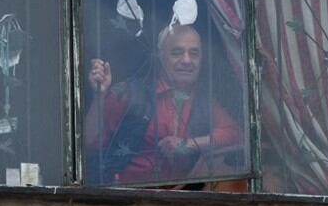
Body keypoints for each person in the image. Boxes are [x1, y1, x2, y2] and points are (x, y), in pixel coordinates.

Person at [85, 25, 242, 185]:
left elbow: (235, 133)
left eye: (193, 53)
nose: (187, 60)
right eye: (177, 53)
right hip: (126, 201)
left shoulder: (203, 101)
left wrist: (187, 144)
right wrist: (99, 97)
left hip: (182, 201)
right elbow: (89, 145)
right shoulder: (131, 94)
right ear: (161, 57)